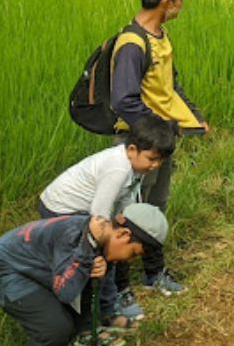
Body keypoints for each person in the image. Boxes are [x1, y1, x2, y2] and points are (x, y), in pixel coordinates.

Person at [0, 203, 168, 346]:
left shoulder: (101, 240)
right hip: (2, 271)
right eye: (133, 253)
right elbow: (66, 293)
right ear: (124, 234)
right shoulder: (79, 238)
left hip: (34, 271)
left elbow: (84, 294)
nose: (129, 260)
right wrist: (87, 248)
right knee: (56, 328)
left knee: (68, 322)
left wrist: (97, 277)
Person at [110, 0, 208, 309]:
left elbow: (170, 87)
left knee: (154, 209)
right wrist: (157, 132)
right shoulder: (132, 44)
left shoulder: (161, 37)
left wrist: (192, 116)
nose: (183, 5)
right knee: (126, 215)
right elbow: (123, 100)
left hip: (161, 143)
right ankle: (118, 290)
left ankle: (154, 272)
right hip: (138, 147)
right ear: (167, 2)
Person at [37, 118, 177, 329]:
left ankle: (107, 310)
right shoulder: (118, 168)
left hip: (86, 211)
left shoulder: (135, 167)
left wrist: (125, 219)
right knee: (93, 261)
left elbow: (126, 199)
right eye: (151, 159)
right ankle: (86, 321)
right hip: (62, 208)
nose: (155, 165)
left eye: (160, 161)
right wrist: (107, 238)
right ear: (132, 149)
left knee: (108, 257)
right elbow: (99, 213)